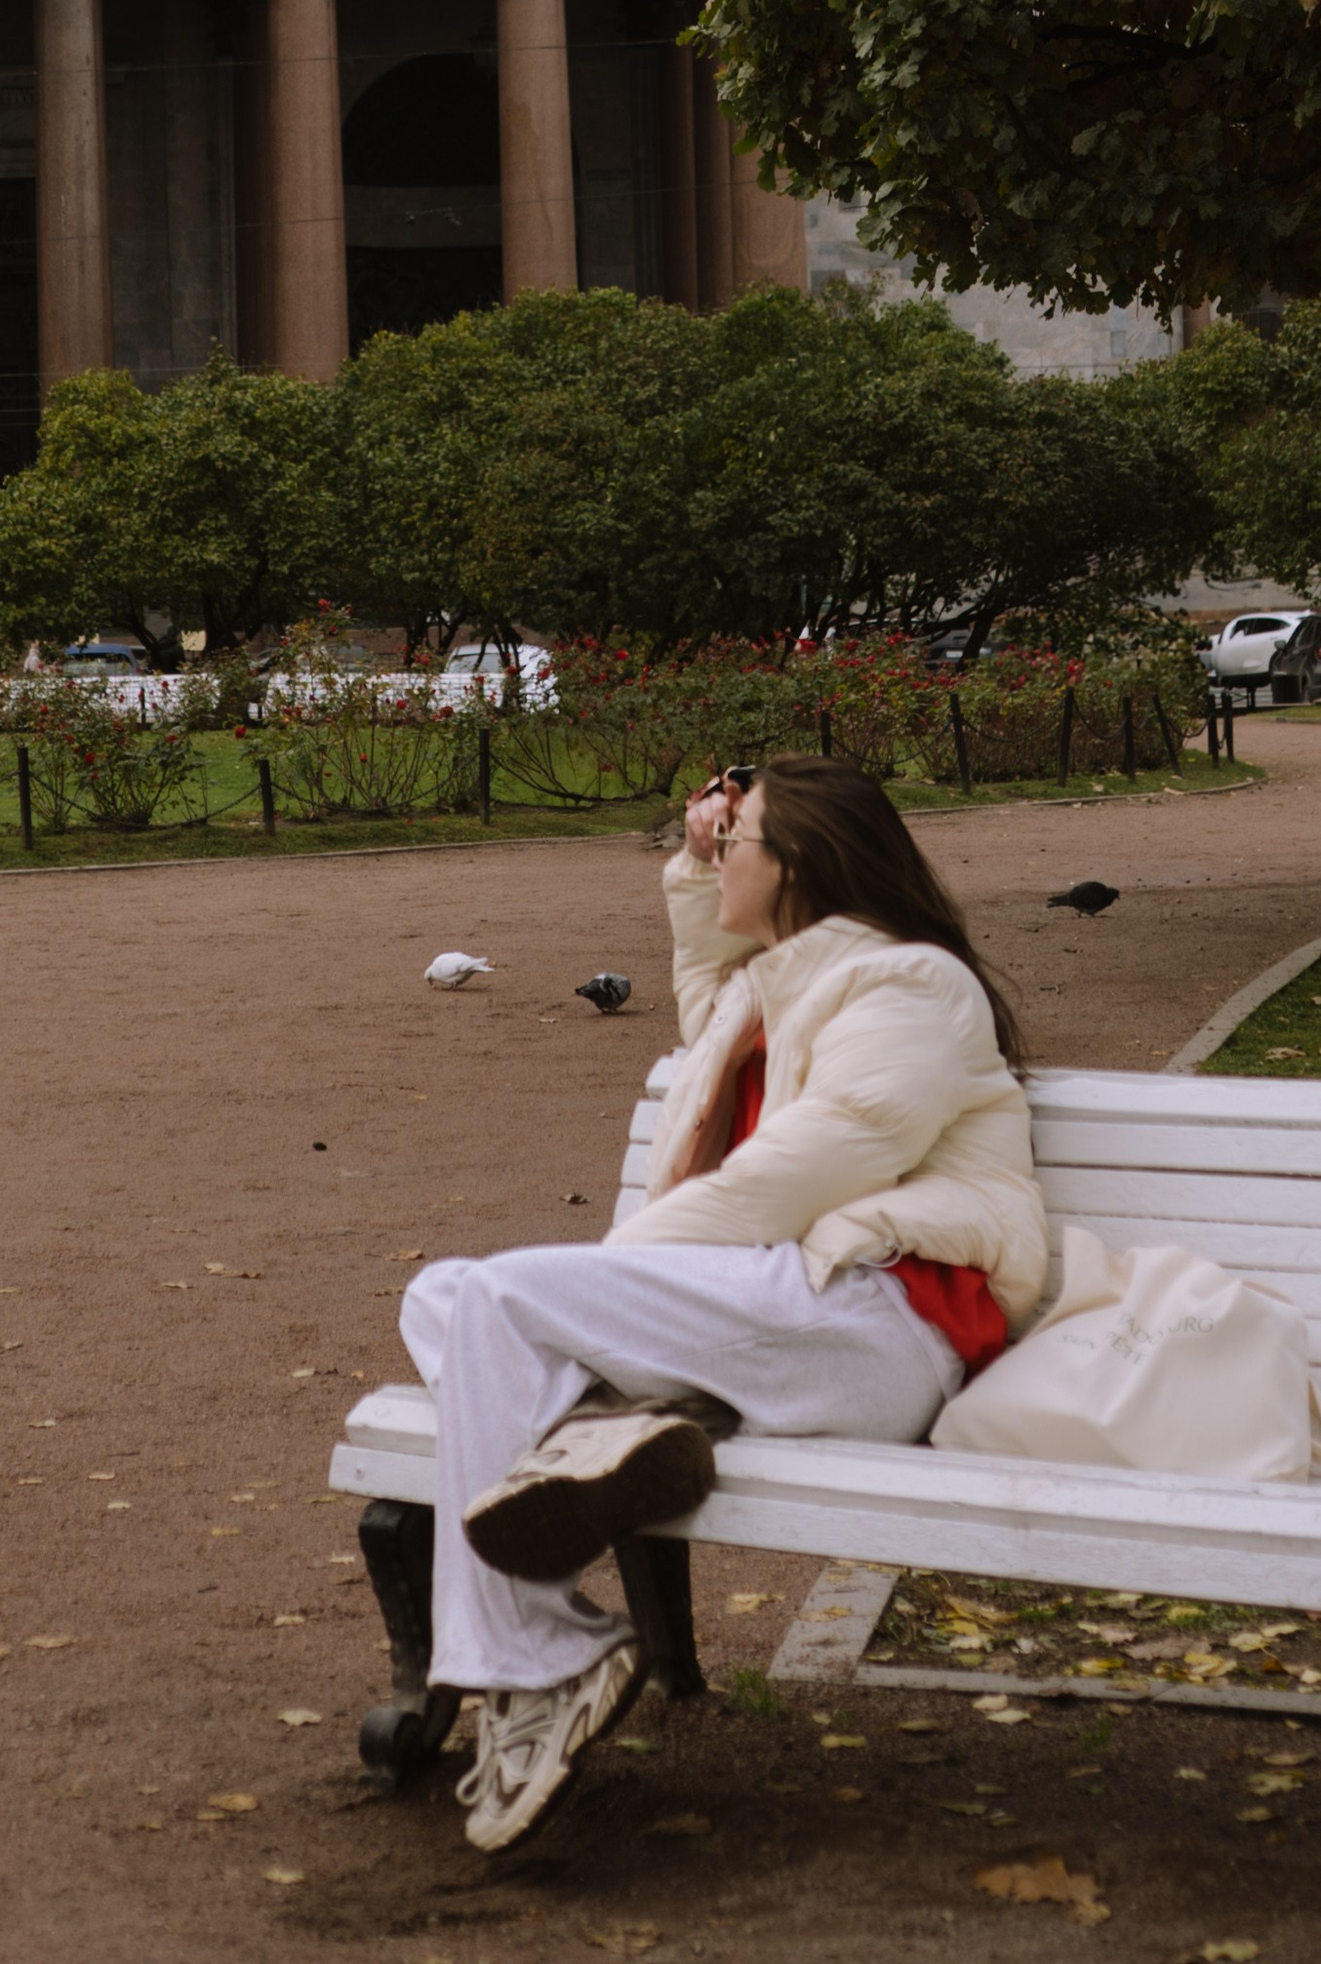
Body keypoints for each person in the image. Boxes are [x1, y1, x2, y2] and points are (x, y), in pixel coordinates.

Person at [400, 756, 1045, 1853]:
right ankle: (634, 1425)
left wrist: (618, 1272)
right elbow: (709, 1011)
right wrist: (699, 874)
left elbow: (807, 1165)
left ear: (800, 866)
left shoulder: (913, 985)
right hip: (771, 1319)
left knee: (499, 1304)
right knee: (446, 1295)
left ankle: (542, 1656)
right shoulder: (772, 988)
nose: (710, 849)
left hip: (877, 1316)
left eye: (733, 839)